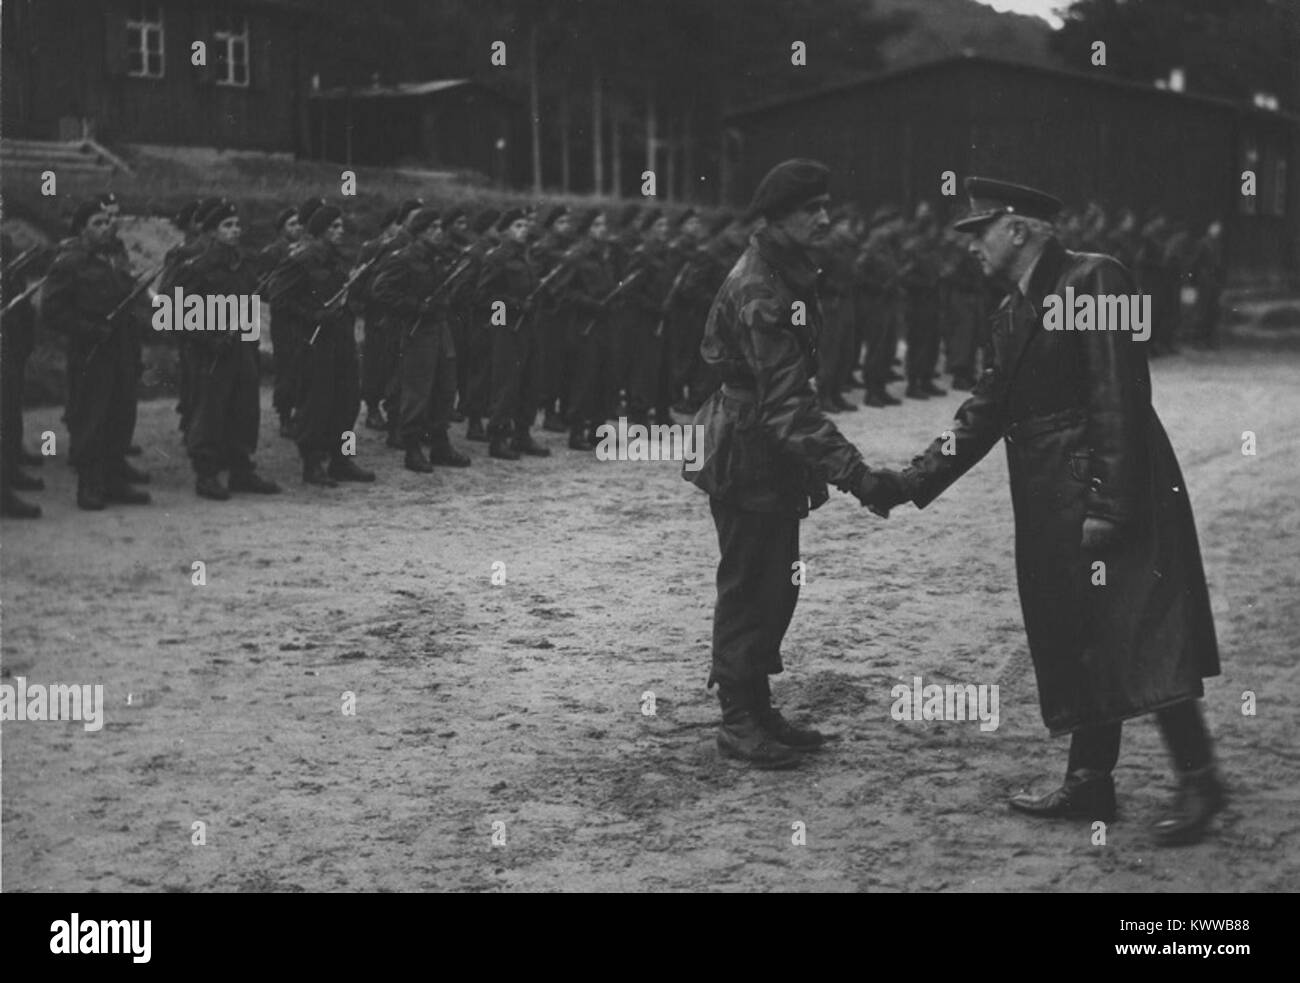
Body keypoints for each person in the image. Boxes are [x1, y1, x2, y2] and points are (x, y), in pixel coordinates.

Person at [863, 177, 1226, 845]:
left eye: (980, 231)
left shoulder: (1098, 281)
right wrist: (907, 481)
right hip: (1051, 495)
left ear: (1021, 229)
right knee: (1086, 629)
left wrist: (1111, 505)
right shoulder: (1011, 310)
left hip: (1109, 483)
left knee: (1144, 629)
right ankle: (1091, 780)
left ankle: (1200, 777)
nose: (970, 245)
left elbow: (1120, 393)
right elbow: (981, 415)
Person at [684, 158, 889, 770]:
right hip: (749, 449)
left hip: (767, 447)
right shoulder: (761, 289)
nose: (826, 218)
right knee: (749, 584)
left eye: (827, 206)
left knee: (777, 582)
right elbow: (787, 406)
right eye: (811, 210)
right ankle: (738, 718)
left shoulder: (788, 272)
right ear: (777, 219)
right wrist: (857, 474)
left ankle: (758, 704)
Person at [39, 200, 152, 510]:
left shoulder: (115, 259)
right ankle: (89, 484)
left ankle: (114, 480)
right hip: (91, 351)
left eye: (107, 222)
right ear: (81, 229)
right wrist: (88, 329)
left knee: (121, 413)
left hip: (122, 348)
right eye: (97, 223)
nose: (106, 228)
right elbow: (51, 311)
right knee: (93, 416)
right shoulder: (70, 262)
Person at [178, 201, 281, 499]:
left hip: (242, 346)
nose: (235, 231)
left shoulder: (243, 263)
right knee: (209, 411)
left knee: (245, 409)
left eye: (237, 225)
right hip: (211, 350)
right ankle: (206, 474)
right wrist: (208, 338)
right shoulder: (197, 267)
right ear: (211, 232)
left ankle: (241, 470)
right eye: (227, 225)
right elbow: (173, 315)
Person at [267, 205, 375, 487]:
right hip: (315, 339)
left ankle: (342, 459)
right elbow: (278, 298)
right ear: (318, 230)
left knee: (349, 401)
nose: (340, 232)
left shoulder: (339, 259)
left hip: (341, 337)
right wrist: (313, 314)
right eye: (333, 227)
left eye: (341, 226)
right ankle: (312, 464)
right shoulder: (301, 259)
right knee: (317, 403)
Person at [369, 208, 472, 472]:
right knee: (417, 391)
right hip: (417, 332)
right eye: (434, 228)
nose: (440, 232)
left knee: (445, 387)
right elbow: (380, 291)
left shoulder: (437, 259)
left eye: (440, 227)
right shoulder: (402, 259)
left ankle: (440, 444)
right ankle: (412, 449)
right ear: (420, 232)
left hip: (440, 329)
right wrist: (415, 306)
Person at [476, 209, 549, 461]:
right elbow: (484, 297)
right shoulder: (497, 257)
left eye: (525, 225)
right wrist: (514, 306)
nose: (524, 229)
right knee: (506, 383)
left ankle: (522, 434)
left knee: (530, 381)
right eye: (518, 225)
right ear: (505, 230)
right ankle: (497, 438)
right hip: (507, 328)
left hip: (529, 327)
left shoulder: (525, 257)